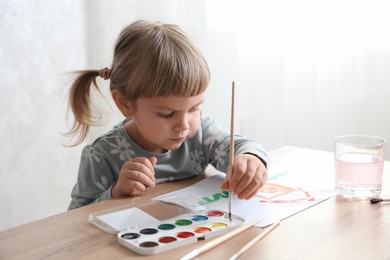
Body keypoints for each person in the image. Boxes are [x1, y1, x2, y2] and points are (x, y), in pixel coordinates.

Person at [66, 20, 268, 210]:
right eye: (167, 114)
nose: (184, 125)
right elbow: (76, 216)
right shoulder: (102, 155)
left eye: (194, 108)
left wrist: (250, 158)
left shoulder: (201, 134)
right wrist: (115, 192)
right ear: (125, 104)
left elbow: (239, 146)